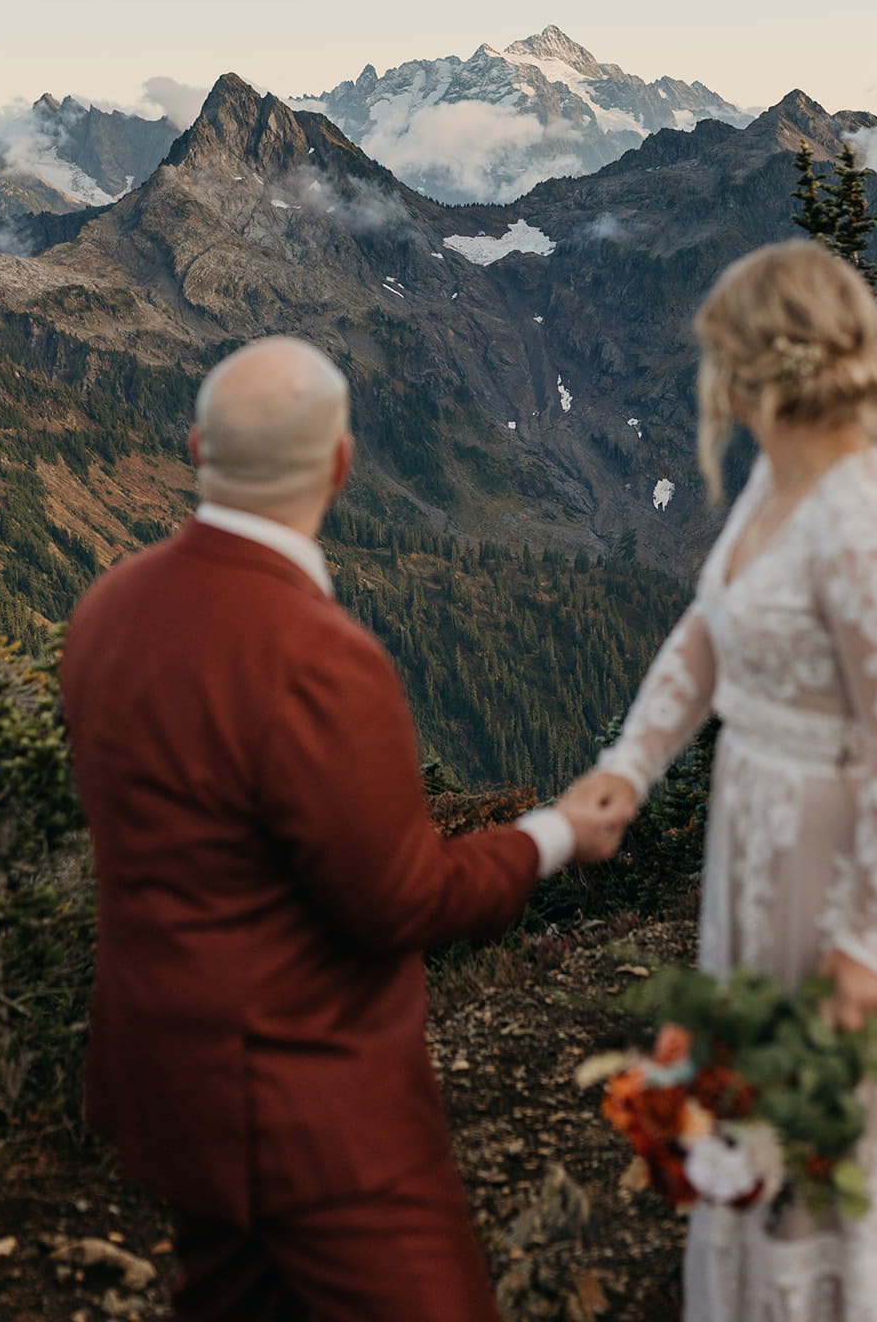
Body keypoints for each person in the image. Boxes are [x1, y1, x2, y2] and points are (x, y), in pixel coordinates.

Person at [60, 336, 632, 1322]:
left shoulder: (107, 608)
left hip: (166, 1084)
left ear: (197, 445)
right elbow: (401, 899)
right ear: (339, 465)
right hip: (309, 1111)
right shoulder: (324, 656)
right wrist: (554, 835)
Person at [572, 241, 877, 1321]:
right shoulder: (780, 478)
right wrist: (631, 763)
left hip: (833, 849)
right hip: (753, 827)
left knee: (829, 1098)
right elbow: (709, 626)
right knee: (756, 1086)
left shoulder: (870, 521)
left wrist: (872, 942)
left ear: (759, 369)